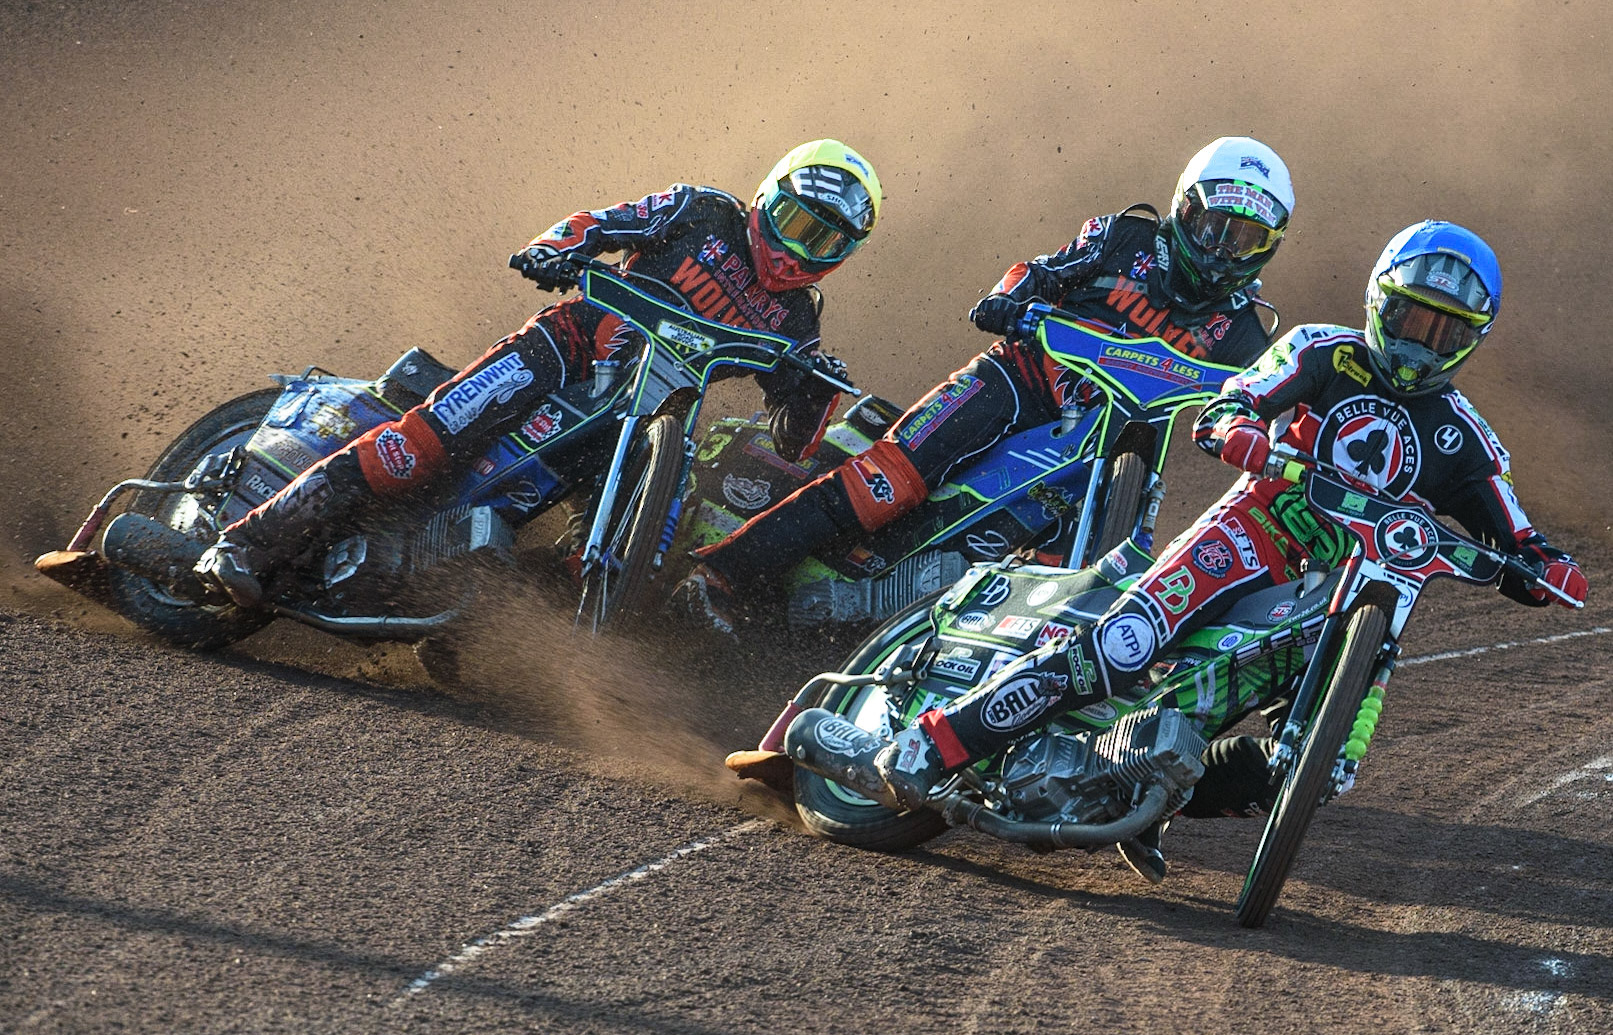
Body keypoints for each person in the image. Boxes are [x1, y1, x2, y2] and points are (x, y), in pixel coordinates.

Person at [853, 220, 1588, 881]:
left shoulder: (1465, 438)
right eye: (1410, 319)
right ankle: (936, 743)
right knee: (1125, 644)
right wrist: (1239, 428)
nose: (1419, 343)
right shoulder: (1322, 351)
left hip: (1349, 592)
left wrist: (1549, 569)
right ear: (1379, 302)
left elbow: (1520, 539)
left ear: (1471, 339)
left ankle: (1140, 791)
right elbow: (1236, 399)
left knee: (1319, 769)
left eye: (1444, 332)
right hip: (1256, 531)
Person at [195, 139, 881, 607]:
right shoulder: (701, 210)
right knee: (420, 445)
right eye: (794, 221)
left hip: (651, 423)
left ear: (843, 254)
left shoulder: (799, 317)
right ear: (767, 196)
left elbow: (792, 438)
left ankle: (493, 622)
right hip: (566, 350)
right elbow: (601, 224)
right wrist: (551, 249)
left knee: (639, 552)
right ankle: (248, 542)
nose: (797, 251)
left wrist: (816, 390)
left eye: (822, 239)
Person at [675, 136, 1294, 634]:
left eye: (1248, 240)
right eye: (1217, 228)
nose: (1224, 251)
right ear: (1185, 209)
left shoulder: (1247, 333)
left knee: (1111, 566)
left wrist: (1261, 436)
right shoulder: (1123, 237)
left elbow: (1259, 400)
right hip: (1016, 384)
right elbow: (1038, 272)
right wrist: (1010, 300)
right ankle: (718, 575)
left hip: (1113, 453)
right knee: (884, 485)